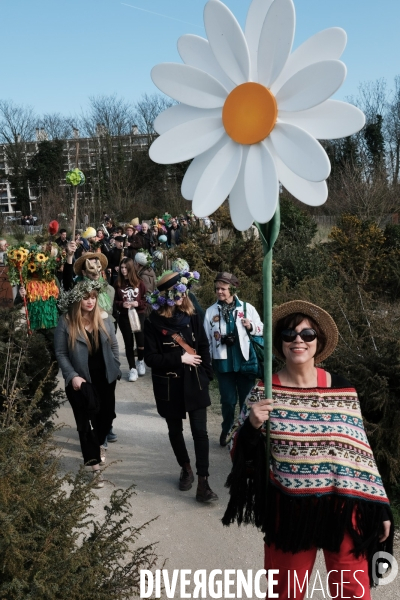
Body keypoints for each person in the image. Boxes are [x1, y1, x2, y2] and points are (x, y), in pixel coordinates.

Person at [222, 300, 393, 599]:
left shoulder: (342, 389)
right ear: (280, 343)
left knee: (352, 591)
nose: (297, 340)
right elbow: (237, 453)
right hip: (289, 510)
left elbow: (361, 453)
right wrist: (251, 425)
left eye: (307, 334)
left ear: (319, 341)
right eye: (288, 334)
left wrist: (380, 506)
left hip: (344, 509)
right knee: (286, 591)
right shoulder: (265, 392)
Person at [144, 270, 218, 503]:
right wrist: (180, 358)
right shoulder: (153, 322)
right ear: (164, 296)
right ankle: (186, 469)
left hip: (195, 382)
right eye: (174, 294)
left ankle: (204, 482)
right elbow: (151, 359)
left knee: (200, 433)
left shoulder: (193, 315)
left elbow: (204, 345)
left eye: (181, 293)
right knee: (175, 431)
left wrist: (206, 374)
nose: (179, 298)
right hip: (168, 385)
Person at [54, 280, 121, 488]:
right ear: (77, 300)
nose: (90, 301)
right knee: (86, 424)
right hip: (81, 382)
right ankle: (95, 469)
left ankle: (99, 445)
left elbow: (114, 344)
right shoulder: (66, 322)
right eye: (86, 297)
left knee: (107, 416)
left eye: (93, 297)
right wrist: (72, 375)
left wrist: (116, 366)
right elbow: (61, 353)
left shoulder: (104, 318)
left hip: (105, 379)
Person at [203, 272, 263, 447]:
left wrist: (250, 326)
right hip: (223, 364)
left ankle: (245, 433)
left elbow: (261, 328)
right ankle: (227, 429)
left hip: (245, 362)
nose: (219, 292)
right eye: (217, 289)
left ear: (233, 289)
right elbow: (206, 339)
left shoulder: (246, 308)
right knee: (228, 401)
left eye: (223, 288)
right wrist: (207, 363)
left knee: (247, 401)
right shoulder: (211, 312)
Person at [114, 257, 147, 381]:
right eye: (121, 268)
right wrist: (122, 304)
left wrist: (137, 303)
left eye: (126, 268)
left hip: (138, 314)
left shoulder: (140, 282)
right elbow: (114, 301)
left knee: (140, 340)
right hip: (124, 315)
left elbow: (146, 299)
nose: (123, 270)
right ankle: (132, 368)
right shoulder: (117, 283)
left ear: (131, 268)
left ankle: (140, 360)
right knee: (128, 343)